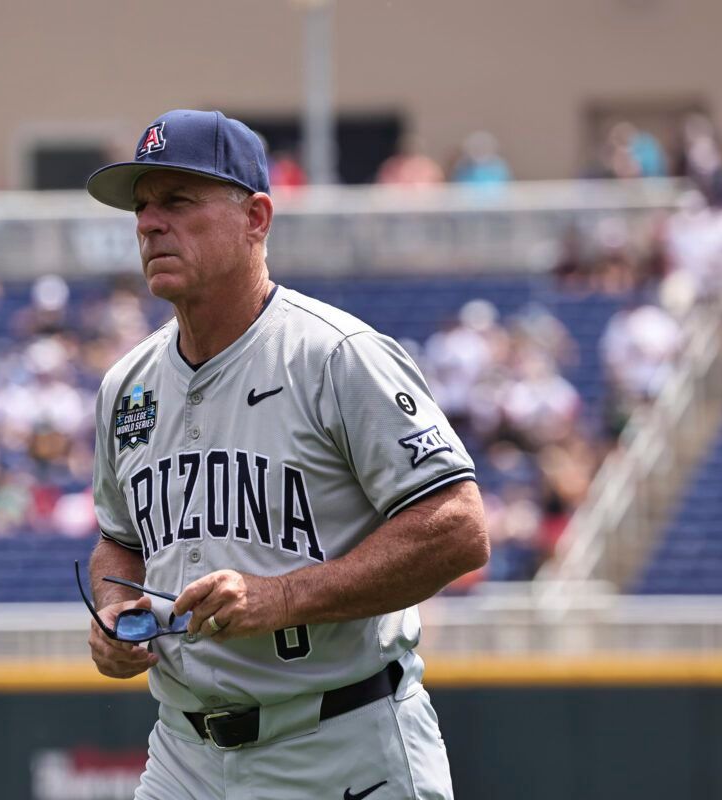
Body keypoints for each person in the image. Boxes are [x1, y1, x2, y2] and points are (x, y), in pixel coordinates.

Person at [83, 109, 489, 799]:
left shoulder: (336, 356)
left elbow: (458, 528)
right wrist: (115, 612)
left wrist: (283, 596)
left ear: (257, 217)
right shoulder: (128, 385)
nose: (150, 224)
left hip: (339, 742)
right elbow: (119, 542)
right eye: (143, 206)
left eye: (178, 201)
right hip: (184, 754)